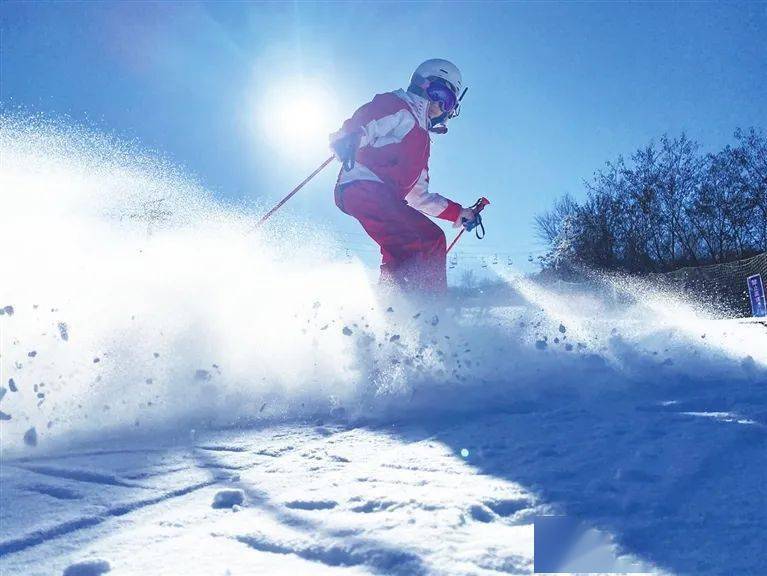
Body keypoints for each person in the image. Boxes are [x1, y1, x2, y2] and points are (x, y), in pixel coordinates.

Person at [330, 59, 477, 294]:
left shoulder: (422, 143)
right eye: (438, 94)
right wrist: (350, 136)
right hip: (361, 185)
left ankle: (412, 306)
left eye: (447, 102)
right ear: (421, 86)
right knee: (412, 243)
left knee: (432, 238)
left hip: (386, 199)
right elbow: (370, 119)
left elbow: (419, 196)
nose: (439, 105)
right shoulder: (401, 106)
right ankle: (412, 309)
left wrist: (459, 213)